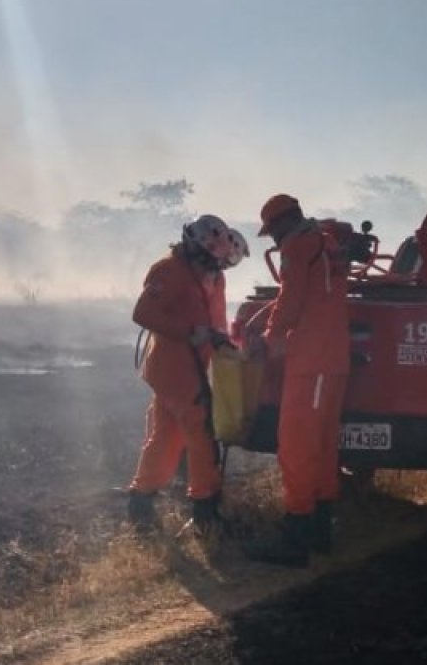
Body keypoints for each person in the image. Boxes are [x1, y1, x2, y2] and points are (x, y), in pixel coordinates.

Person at [244, 194, 350, 567]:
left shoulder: (298, 244)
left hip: (312, 362)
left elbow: (290, 300)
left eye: (272, 232)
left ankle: (295, 536)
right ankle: (321, 532)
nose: (273, 240)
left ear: (282, 224)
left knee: (296, 445)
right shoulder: (325, 241)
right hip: (330, 359)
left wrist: (270, 340)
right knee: (321, 445)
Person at [125, 215, 245, 535]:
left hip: (192, 363)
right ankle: (205, 510)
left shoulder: (214, 277)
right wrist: (190, 332)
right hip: (172, 364)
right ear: (194, 245)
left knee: (166, 435)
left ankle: (141, 500)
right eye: (208, 259)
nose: (213, 266)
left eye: (216, 261)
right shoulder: (169, 271)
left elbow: (215, 320)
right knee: (201, 430)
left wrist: (222, 341)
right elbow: (143, 313)